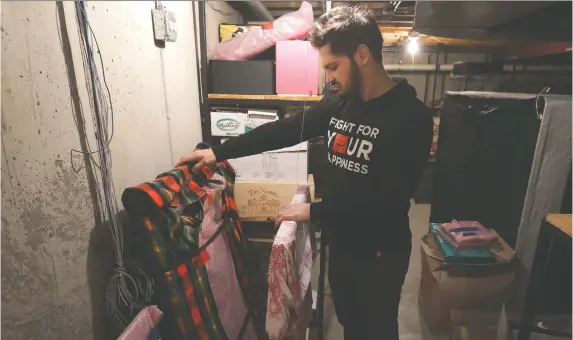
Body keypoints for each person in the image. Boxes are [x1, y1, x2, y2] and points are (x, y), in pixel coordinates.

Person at [177, 5, 433, 340]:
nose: (329, 78)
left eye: (333, 67)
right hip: (341, 244)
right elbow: (287, 129)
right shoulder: (340, 101)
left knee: (377, 331)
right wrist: (219, 151)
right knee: (350, 325)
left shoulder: (410, 118)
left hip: (379, 253)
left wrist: (313, 211)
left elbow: (385, 199)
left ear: (362, 55)